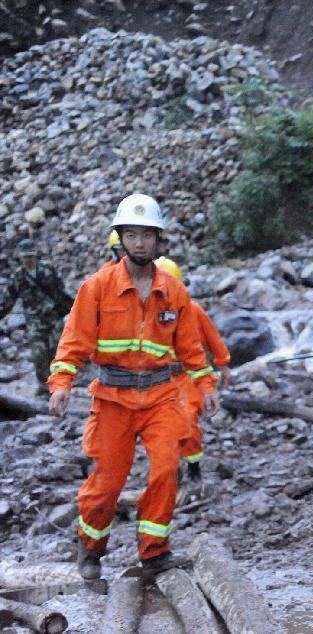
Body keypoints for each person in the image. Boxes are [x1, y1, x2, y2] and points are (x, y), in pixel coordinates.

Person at [48, 194, 220, 580]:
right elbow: (73, 341)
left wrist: (207, 387)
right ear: (120, 239)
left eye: (147, 235)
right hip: (112, 399)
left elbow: (191, 348)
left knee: (165, 471)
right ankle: (91, 549)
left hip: (160, 397)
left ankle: (154, 552)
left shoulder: (174, 291)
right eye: (131, 234)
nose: (139, 242)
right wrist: (62, 384)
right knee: (106, 484)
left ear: (159, 241)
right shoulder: (97, 287)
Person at [153, 256, 231, 491]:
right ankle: (169, 468)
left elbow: (212, 338)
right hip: (158, 378)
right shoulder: (145, 312)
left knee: (187, 421)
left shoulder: (193, 309)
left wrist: (223, 364)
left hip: (189, 377)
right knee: (162, 427)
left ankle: (194, 467)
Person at [0, 238, 73, 396]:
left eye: (31, 256)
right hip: (34, 322)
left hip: (53, 318)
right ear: (20, 257)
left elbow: (60, 290)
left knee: (58, 352)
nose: (29, 260)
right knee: (39, 354)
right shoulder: (17, 278)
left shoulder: (47, 270)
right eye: (25, 257)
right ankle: (44, 386)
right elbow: (7, 302)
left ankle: (60, 385)